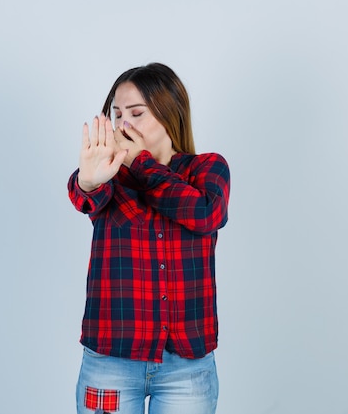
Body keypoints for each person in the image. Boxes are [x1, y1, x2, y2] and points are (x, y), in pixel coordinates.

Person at [67, 62, 230, 414]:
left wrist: (141, 162)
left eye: (136, 113)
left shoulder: (207, 169)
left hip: (187, 366)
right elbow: (85, 197)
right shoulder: (109, 174)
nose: (123, 124)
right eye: (117, 114)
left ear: (169, 113)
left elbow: (205, 214)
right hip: (110, 360)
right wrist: (88, 180)